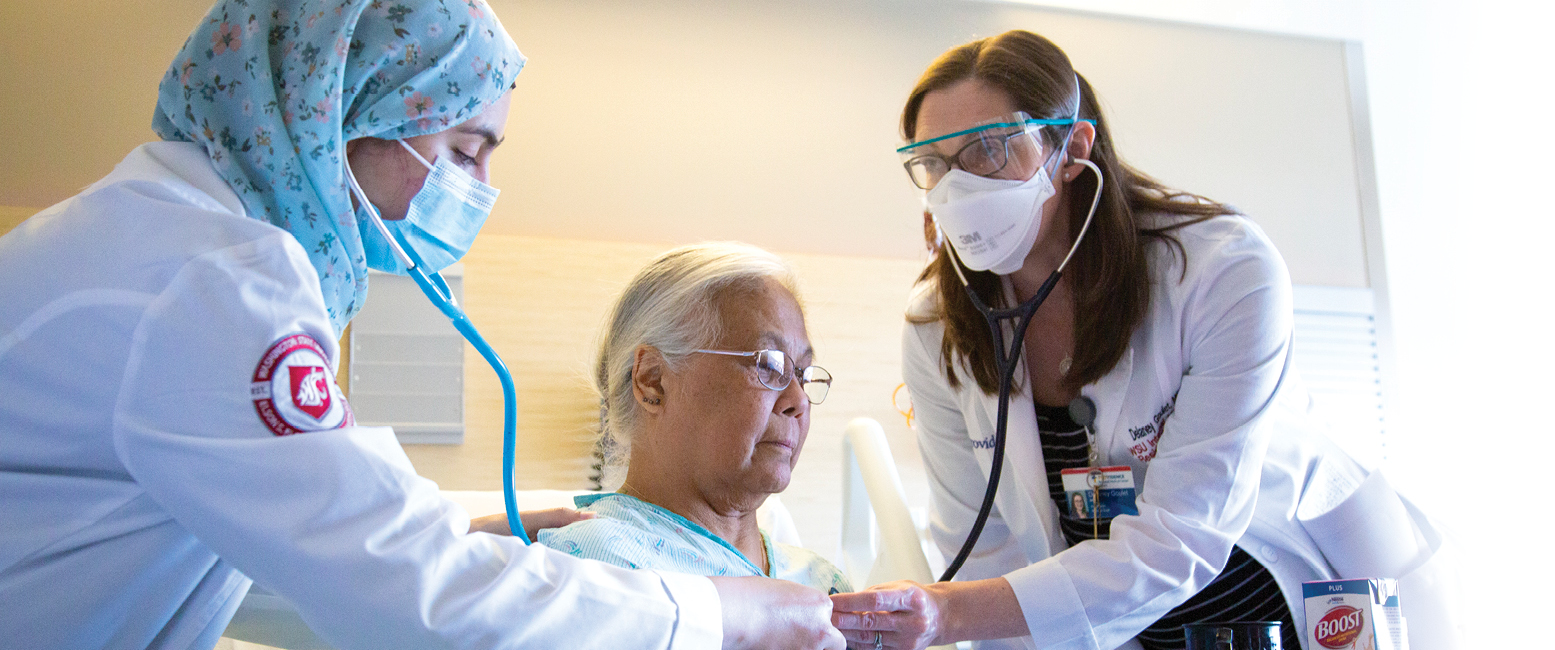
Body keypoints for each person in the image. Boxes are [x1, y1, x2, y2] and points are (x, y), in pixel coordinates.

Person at [0, 1, 841, 648]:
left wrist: (445, 534)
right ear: (346, 108)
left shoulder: (157, 236)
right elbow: (407, 595)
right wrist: (711, 615)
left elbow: (254, 542)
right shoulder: (217, 280)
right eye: (465, 149)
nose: (473, 188)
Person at [829, 31, 1457, 650]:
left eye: (989, 150)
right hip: (1126, 627)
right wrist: (957, 615)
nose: (956, 188)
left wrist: (947, 615)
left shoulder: (1221, 273)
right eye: (932, 163)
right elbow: (984, 551)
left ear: (1071, 149)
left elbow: (1181, 539)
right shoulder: (938, 328)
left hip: (1296, 590)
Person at [538, 243, 852, 595]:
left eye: (804, 374)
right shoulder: (582, 569)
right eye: (768, 365)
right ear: (652, 379)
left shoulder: (827, 587)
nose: (798, 401)